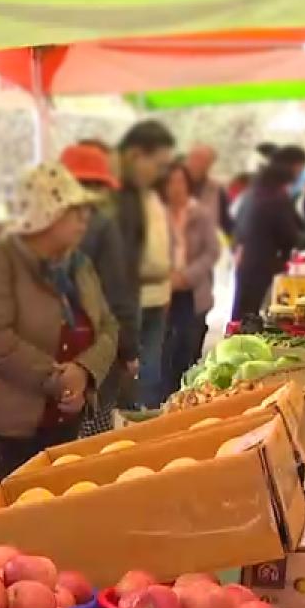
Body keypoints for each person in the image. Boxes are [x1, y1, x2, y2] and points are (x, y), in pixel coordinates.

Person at [0, 164, 121, 475]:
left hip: (67, 424)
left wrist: (84, 371)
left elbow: (108, 326)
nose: (85, 218)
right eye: (74, 210)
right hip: (11, 433)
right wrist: (59, 380)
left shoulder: (78, 264)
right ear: (45, 214)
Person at [61, 143, 136, 431]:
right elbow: (117, 292)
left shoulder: (43, 229)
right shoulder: (102, 226)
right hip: (97, 348)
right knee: (96, 430)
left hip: (58, 352)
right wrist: (128, 349)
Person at [112, 121, 177, 409]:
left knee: (150, 372)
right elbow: (121, 266)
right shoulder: (117, 198)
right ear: (135, 155)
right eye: (158, 164)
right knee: (131, 377)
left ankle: (146, 418)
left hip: (154, 297)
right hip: (129, 302)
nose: (161, 173)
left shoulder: (146, 194)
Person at [157, 159, 223, 400]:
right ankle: (164, 403)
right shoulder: (157, 214)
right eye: (170, 182)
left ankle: (188, 400)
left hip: (193, 292)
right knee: (164, 352)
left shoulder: (201, 214)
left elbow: (212, 251)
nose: (176, 187)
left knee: (188, 350)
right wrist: (167, 277)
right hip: (164, 291)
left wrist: (187, 276)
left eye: (180, 181)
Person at [233, 151, 305, 320]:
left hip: (248, 261)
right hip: (263, 264)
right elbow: (289, 235)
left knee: (243, 311)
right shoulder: (275, 197)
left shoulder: (255, 190)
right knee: (252, 315)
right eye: (299, 169)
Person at [185, 144, 231, 236]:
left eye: (202, 160)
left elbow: (225, 223)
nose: (196, 164)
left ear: (210, 164)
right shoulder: (172, 183)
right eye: (194, 158)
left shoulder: (217, 189)